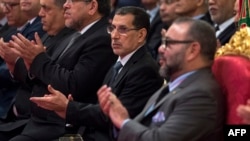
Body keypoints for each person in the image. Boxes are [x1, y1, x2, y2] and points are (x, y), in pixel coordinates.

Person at [30, 6, 164, 141]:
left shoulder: (144, 70)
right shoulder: (119, 62)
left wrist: (69, 108)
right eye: (112, 28)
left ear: (141, 35)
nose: (114, 36)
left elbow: (114, 117)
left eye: (123, 29)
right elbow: (100, 107)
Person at [0, 0, 116, 140]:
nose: (66, 5)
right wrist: (18, 63)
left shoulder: (102, 38)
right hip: (36, 122)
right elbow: (45, 76)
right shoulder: (76, 35)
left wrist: (37, 59)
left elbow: (73, 85)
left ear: (92, 7)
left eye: (71, 0)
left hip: (62, 128)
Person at [97, 17, 225, 141]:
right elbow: (142, 128)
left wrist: (123, 121)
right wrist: (120, 119)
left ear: (193, 50)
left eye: (168, 43)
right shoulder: (173, 84)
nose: (160, 49)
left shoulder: (201, 96)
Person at [0, 0, 75, 140]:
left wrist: (21, 62)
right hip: (26, 118)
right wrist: (14, 65)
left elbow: (64, 83)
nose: (41, 14)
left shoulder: (70, 39)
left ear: (63, 11)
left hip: (48, 123)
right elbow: (31, 76)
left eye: (46, 9)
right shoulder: (47, 35)